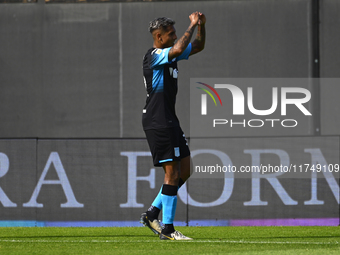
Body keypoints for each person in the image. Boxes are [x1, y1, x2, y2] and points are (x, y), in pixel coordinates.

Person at [140, 12, 206, 240]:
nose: (176, 37)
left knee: (185, 170)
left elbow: (197, 46)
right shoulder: (154, 55)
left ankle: (152, 214)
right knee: (172, 173)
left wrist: (200, 27)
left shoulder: (169, 55)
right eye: (171, 34)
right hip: (158, 120)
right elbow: (178, 49)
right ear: (159, 36)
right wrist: (191, 23)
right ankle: (167, 230)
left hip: (169, 119)